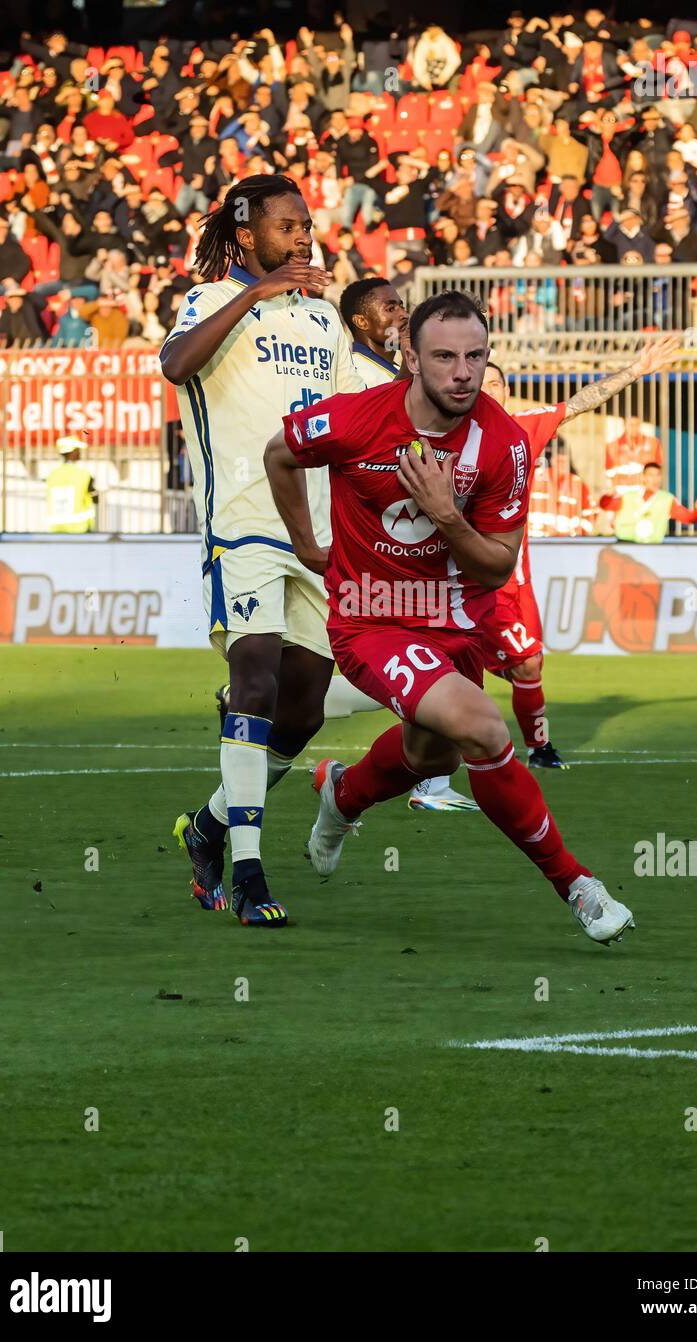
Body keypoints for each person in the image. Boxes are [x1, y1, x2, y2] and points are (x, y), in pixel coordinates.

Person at [264, 290, 635, 946]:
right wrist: (305, 545)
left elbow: (496, 568)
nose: (463, 372)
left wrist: (445, 513)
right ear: (409, 357)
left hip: (461, 623)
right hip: (370, 620)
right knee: (483, 730)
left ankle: (342, 796)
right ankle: (577, 885)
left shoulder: (504, 445)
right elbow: (280, 453)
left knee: (426, 755)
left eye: (475, 356)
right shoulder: (354, 420)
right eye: (444, 357)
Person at [160, 174, 364, 929]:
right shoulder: (211, 301)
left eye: (307, 225)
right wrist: (258, 292)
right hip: (240, 523)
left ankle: (209, 826)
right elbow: (175, 364)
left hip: (314, 535)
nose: (303, 236)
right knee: (253, 679)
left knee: (303, 705)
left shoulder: (323, 322)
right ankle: (247, 870)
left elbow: (351, 416)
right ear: (248, 236)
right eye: (287, 226)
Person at [480, 335, 678, 767]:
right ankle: (437, 771)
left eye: (496, 383)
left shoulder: (523, 429)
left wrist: (636, 370)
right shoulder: (449, 432)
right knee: (487, 667)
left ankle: (535, 747)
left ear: (507, 393)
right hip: (468, 583)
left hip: (515, 581)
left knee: (530, 667)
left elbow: (580, 403)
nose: (488, 389)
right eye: (482, 382)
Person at [338, 275, 479, 813]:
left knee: (421, 685)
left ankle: (411, 782)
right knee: (398, 663)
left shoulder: (403, 376)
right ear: (361, 322)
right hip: (363, 544)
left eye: (404, 306)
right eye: (391, 306)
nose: (401, 312)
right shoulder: (352, 376)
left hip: (411, 550)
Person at [600, 463, 697, 542]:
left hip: (652, 550)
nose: (655, 479)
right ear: (643, 477)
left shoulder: (667, 500)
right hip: (625, 547)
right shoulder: (628, 496)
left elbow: (688, 517)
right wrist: (608, 495)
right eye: (651, 475)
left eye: (658, 475)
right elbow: (605, 505)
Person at [46, 435, 97, 532]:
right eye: (77, 450)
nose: (79, 453)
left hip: (56, 528)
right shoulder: (84, 474)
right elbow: (95, 499)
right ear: (72, 452)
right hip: (79, 528)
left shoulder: (52, 474)